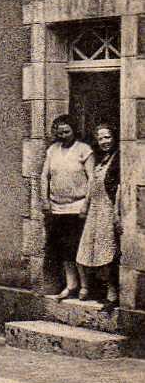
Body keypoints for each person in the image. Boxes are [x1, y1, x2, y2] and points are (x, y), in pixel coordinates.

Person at [40, 115, 94, 301]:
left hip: (78, 206)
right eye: (60, 132)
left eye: (67, 131)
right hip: (57, 207)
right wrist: (44, 200)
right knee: (63, 248)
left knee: (78, 246)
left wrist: (86, 205)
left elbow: (93, 179)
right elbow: (44, 176)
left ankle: (85, 286)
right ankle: (71, 284)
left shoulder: (83, 150)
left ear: (73, 130)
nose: (63, 135)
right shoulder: (52, 150)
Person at [77, 124, 120, 309]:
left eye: (108, 137)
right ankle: (89, 288)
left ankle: (112, 292)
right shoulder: (101, 159)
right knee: (86, 250)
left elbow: (120, 188)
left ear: (114, 137)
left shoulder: (118, 159)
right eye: (101, 138)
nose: (104, 142)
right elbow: (93, 186)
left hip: (108, 209)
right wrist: (85, 206)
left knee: (107, 251)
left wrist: (116, 214)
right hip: (95, 208)